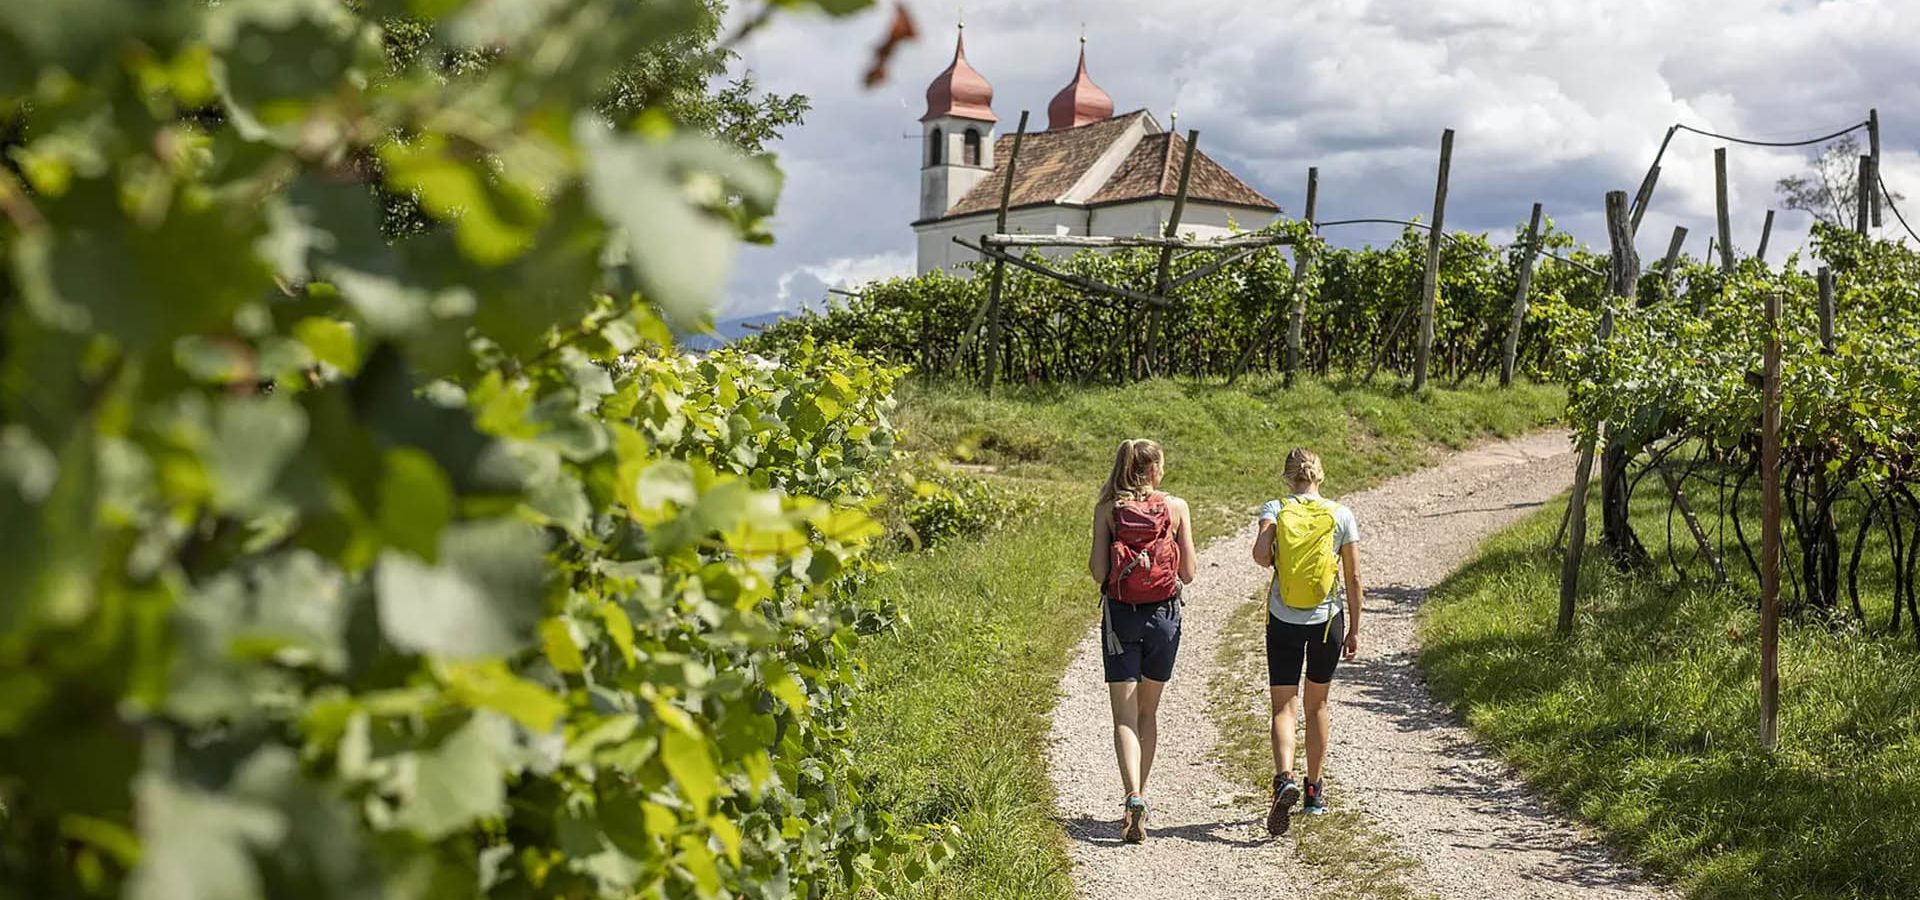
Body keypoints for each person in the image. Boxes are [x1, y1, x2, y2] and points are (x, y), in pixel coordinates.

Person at [1089, 438, 1197, 844]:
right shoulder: (1177, 507)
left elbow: (1099, 570)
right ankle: (1142, 801)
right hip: (1164, 619)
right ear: (1153, 470)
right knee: (1148, 715)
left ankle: (1131, 795)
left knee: (1124, 717)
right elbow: (1188, 572)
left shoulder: (1108, 510)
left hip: (1121, 620)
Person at [1251, 447, 1363, 837]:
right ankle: (1314, 790)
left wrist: (1276, 545)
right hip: (1327, 621)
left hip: (1283, 618)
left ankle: (1284, 779)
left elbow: (1260, 555)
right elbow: (1353, 579)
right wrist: (1354, 629)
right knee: (1318, 704)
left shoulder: (1275, 508)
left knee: (1284, 706)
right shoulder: (1341, 514)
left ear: (1288, 477)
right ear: (1320, 476)